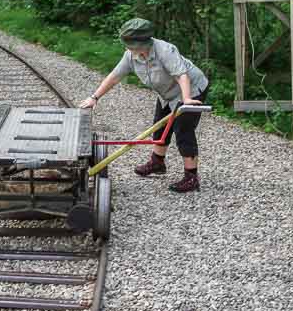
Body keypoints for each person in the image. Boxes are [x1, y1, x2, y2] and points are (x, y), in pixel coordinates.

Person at [79, 18, 209, 192]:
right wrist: (94, 97)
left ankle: (191, 177)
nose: (128, 49)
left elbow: (181, 75)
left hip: (190, 90)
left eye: (132, 45)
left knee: (183, 131)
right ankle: (157, 163)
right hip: (167, 94)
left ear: (144, 43)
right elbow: (114, 76)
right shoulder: (131, 55)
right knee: (160, 125)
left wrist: (186, 100)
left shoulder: (165, 50)